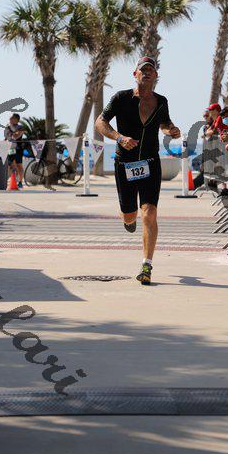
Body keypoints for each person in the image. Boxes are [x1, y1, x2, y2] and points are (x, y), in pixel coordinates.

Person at [95, 56, 181, 285]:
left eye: (151, 69)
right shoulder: (121, 98)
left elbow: (164, 124)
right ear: (135, 74)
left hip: (150, 162)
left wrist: (171, 130)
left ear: (156, 75)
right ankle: (128, 219)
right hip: (125, 163)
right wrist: (119, 138)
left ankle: (146, 265)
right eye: (143, 69)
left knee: (149, 213)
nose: (147, 72)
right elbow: (100, 122)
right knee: (130, 214)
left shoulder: (161, 101)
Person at [4, 113, 24, 188]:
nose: (10, 119)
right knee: (11, 164)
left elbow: (16, 136)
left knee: (19, 165)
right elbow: (7, 137)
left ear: (16, 119)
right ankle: (13, 180)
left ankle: (20, 182)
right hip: (11, 148)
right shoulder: (8, 127)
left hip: (18, 148)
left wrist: (11, 132)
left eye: (11, 118)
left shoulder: (20, 127)